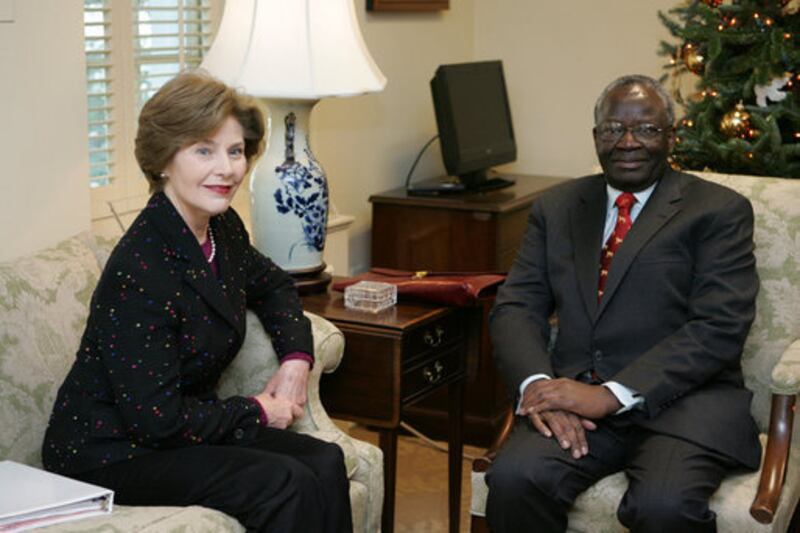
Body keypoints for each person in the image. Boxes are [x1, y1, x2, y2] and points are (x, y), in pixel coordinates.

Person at [42, 71, 352, 533]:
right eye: (203, 150)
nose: (226, 169)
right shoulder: (142, 267)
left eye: (235, 151)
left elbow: (274, 286)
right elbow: (156, 422)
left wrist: (296, 359)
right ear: (164, 159)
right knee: (282, 481)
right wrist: (257, 410)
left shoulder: (220, 231)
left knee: (325, 460)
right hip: (109, 451)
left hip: (177, 431)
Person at [485, 74, 761, 532]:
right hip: (574, 398)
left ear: (671, 137)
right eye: (613, 129)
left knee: (662, 507)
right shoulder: (558, 207)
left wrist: (610, 395)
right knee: (516, 478)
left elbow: (719, 327)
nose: (628, 142)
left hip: (683, 404)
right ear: (596, 137)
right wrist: (540, 389)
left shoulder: (718, 211)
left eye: (647, 129)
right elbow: (517, 305)